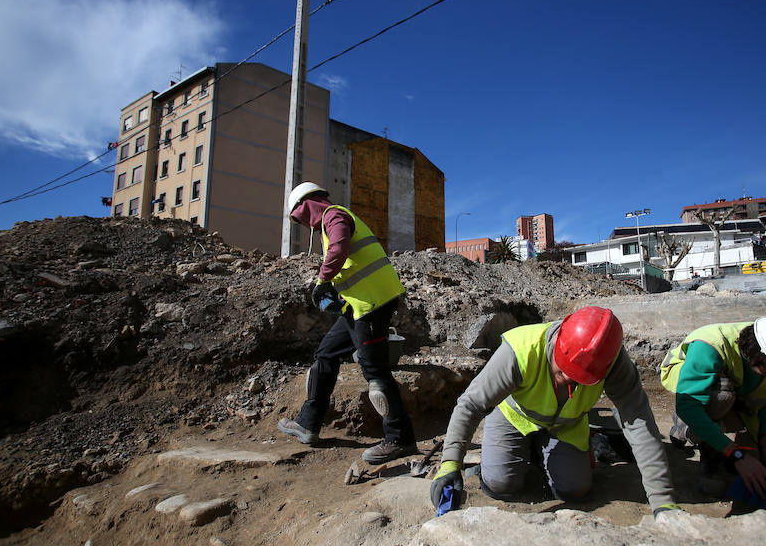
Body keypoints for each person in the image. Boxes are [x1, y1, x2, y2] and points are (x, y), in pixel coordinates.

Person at [430, 306, 679, 517]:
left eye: (581, 380)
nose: (568, 382)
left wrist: (663, 501)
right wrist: (450, 464)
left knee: (575, 491)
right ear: (558, 343)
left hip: (566, 425)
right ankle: (518, 455)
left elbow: (639, 420)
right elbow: (470, 405)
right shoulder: (521, 350)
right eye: (562, 372)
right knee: (501, 484)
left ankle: (546, 451)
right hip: (515, 417)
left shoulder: (611, 361)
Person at [277, 182, 417, 464]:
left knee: (375, 371)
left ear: (307, 204)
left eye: (300, 217)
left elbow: (340, 245)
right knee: (326, 354)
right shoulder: (330, 221)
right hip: (358, 305)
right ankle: (308, 423)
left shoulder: (334, 215)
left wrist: (323, 280)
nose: (305, 225)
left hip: (372, 304)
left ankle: (400, 439)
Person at [660, 313, 766, 499]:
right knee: (722, 393)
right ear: (758, 356)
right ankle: (708, 453)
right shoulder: (710, 345)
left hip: (737, 387)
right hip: (691, 385)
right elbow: (689, 405)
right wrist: (734, 453)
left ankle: (725, 442)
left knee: (757, 463)